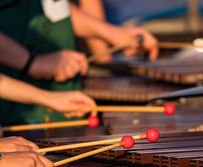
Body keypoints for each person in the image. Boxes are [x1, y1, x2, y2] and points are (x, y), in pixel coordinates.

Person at [0, 0, 158, 125]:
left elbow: (52, 6)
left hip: (64, 102)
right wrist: (31, 62)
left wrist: (110, 32)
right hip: (20, 113)